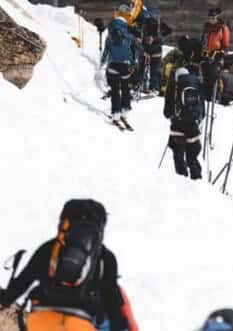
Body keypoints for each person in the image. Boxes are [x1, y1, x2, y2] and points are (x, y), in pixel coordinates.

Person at [0, 199, 132, 331]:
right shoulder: (106, 258)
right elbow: (112, 302)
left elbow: (22, 282)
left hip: (42, 321)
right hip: (81, 324)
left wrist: (5, 300)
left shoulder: (48, 249)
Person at [164, 67, 206, 180]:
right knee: (192, 155)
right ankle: (196, 179)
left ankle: (181, 180)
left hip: (178, 124)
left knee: (178, 153)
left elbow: (167, 110)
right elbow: (202, 104)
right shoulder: (196, 83)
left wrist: (169, 115)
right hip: (193, 124)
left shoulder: (174, 84)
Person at [100, 3, 136, 126]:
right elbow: (130, 50)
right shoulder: (127, 33)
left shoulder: (110, 31)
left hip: (113, 65)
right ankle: (124, 112)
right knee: (125, 88)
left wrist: (102, 62)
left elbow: (106, 49)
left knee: (115, 90)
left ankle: (115, 113)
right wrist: (132, 62)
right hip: (125, 65)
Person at [200, 9, 231, 106]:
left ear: (217, 18)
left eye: (213, 18)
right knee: (206, 78)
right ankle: (206, 99)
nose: (211, 20)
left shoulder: (222, 28)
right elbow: (203, 40)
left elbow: (225, 43)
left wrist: (222, 51)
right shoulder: (207, 28)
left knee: (214, 77)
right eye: (210, 18)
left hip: (217, 55)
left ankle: (216, 99)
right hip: (206, 55)